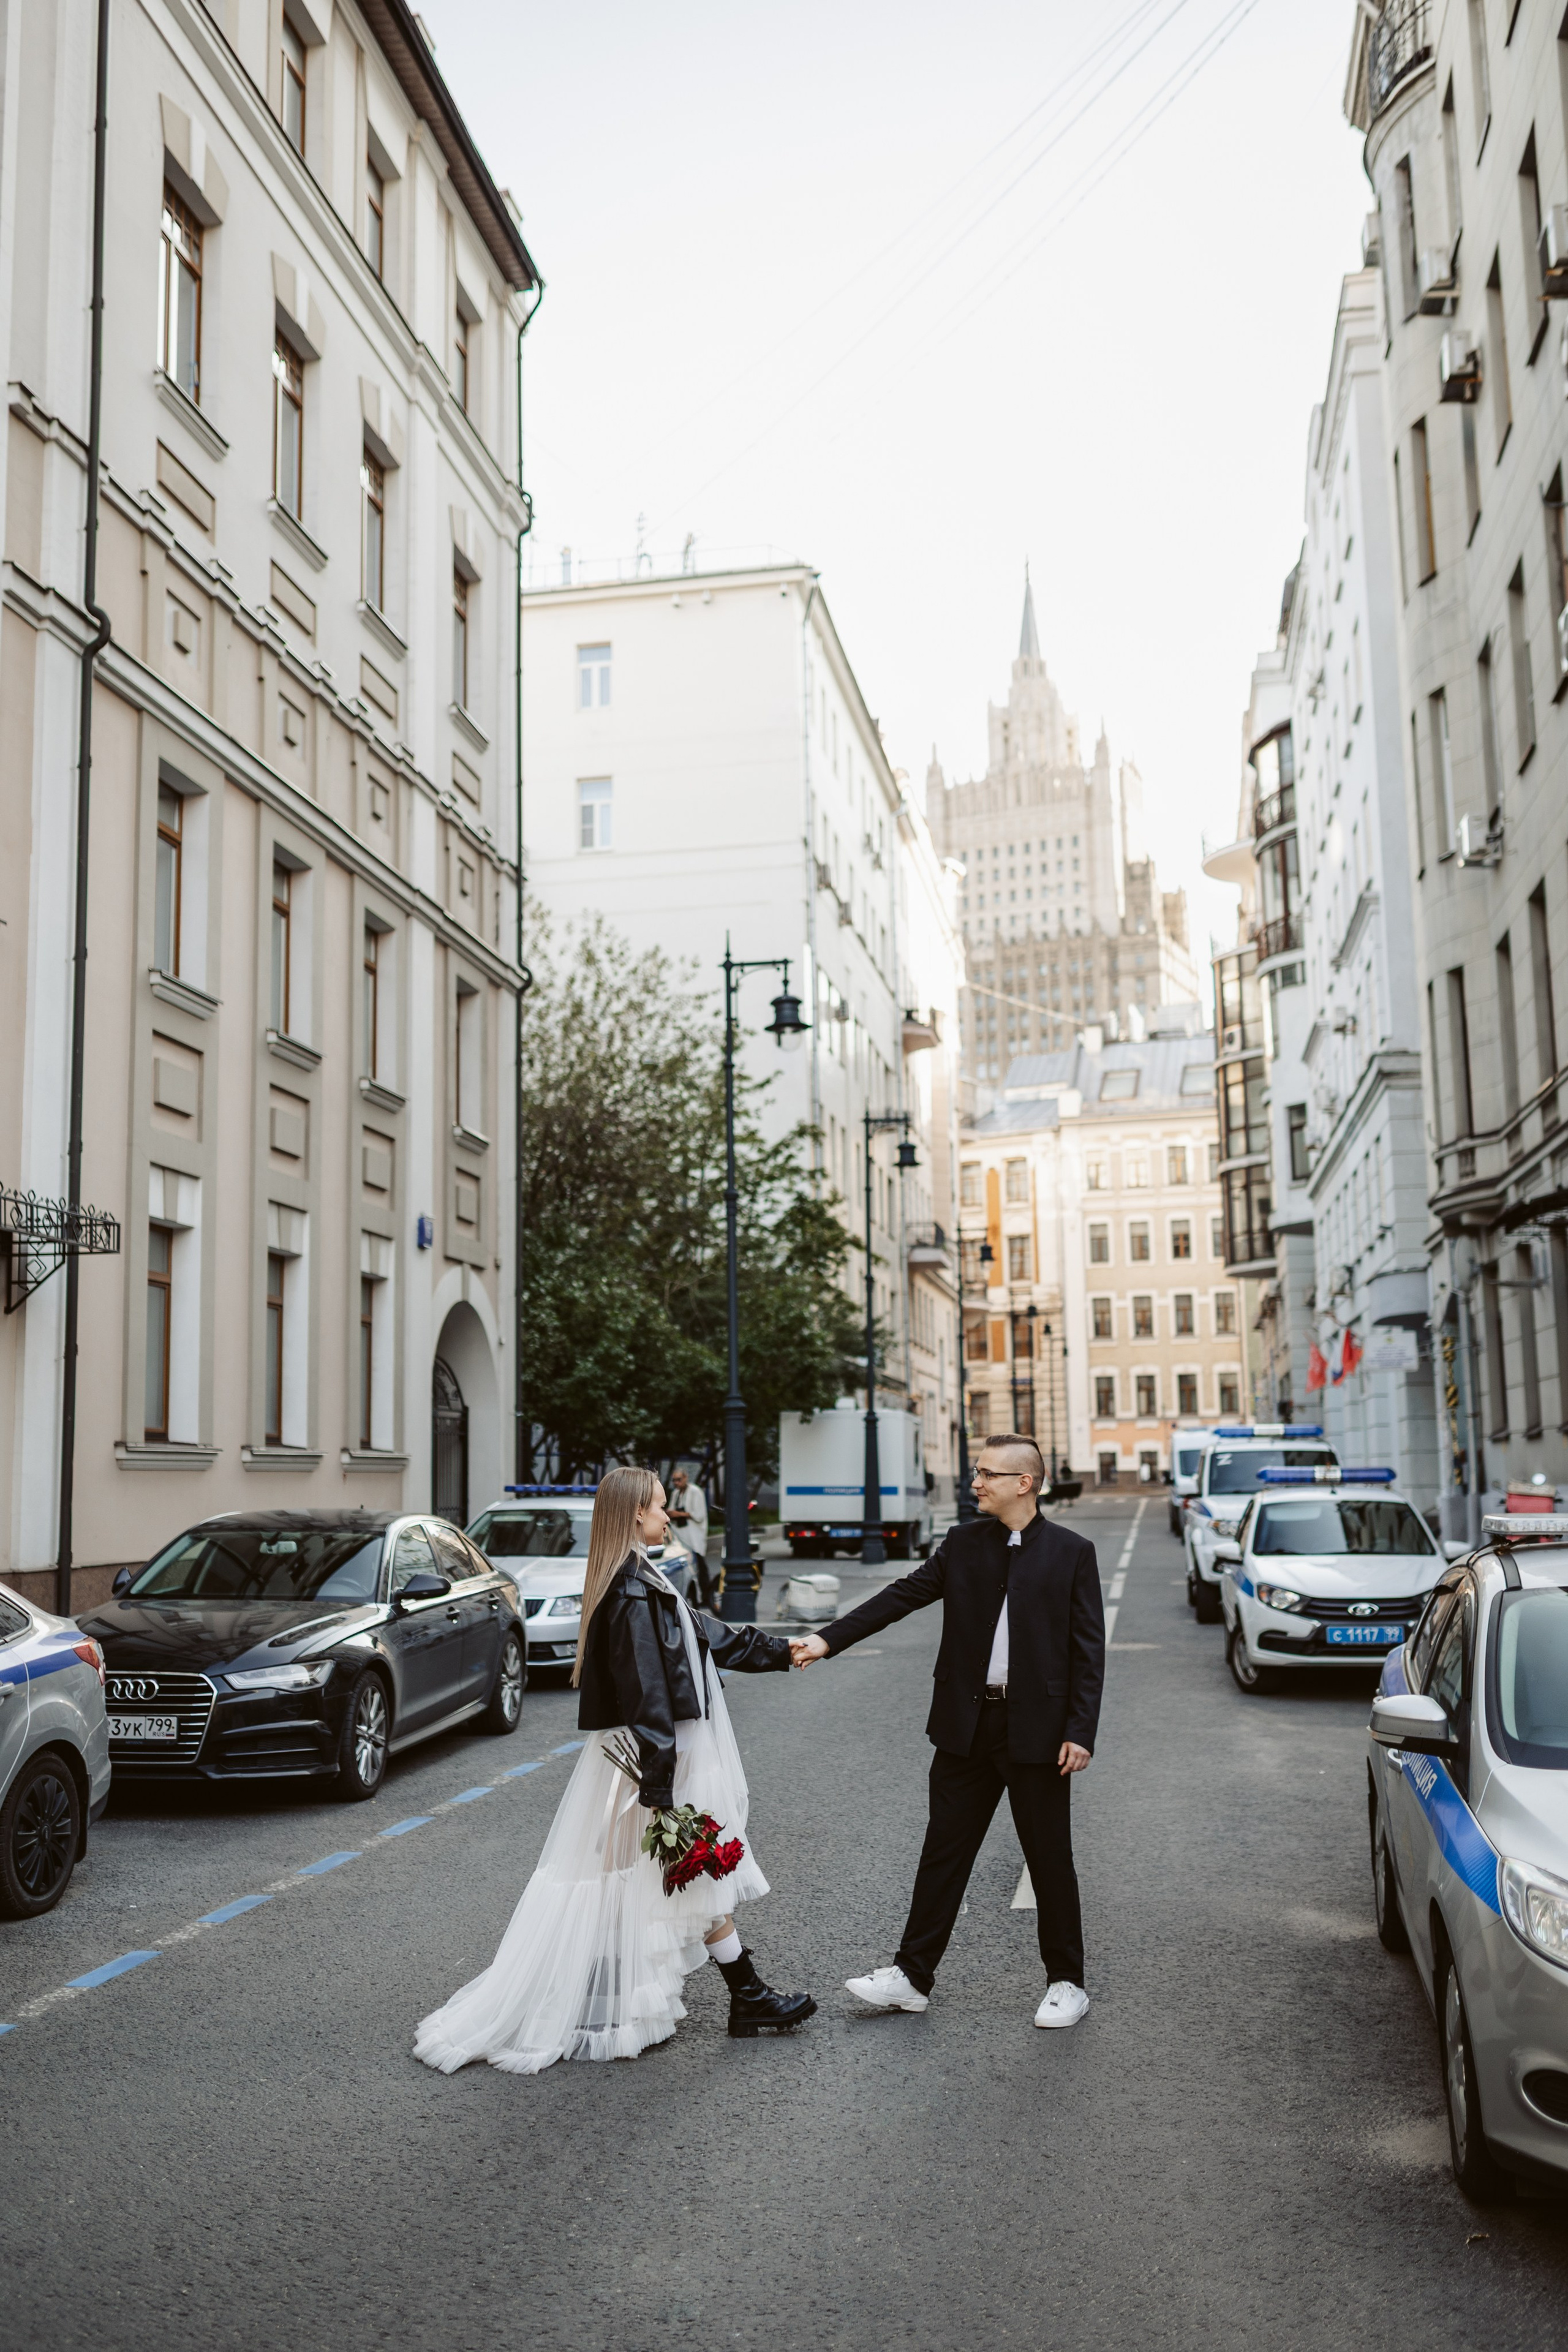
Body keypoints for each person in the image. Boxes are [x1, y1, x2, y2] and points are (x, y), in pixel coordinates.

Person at [415, 1466, 815, 2074]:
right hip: (656, 1755)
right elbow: (647, 1694)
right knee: (679, 1871)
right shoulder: (631, 1590)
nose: (667, 1516)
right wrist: (659, 1788)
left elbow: (709, 1638)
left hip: (655, 1754)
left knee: (662, 1874)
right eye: (660, 1507)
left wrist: (784, 1652)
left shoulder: (643, 1577)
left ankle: (633, 1996)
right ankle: (740, 1997)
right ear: (634, 1514)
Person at [791, 1433, 1104, 2029]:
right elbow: (902, 1595)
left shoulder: (1071, 1552)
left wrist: (1080, 1730)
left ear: (1025, 1483)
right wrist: (827, 1640)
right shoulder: (963, 1543)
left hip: (1037, 1730)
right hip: (966, 1726)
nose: (975, 1483)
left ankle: (1067, 1982)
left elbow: (1088, 1651)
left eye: (987, 1474)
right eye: (975, 1472)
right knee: (944, 1853)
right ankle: (911, 1977)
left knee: (1048, 1859)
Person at [668, 1467, 713, 1607]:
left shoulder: (695, 1492)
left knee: (700, 1567)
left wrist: (679, 1514)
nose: (676, 1483)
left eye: (679, 1480)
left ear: (686, 1478)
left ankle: (707, 1598)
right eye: (674, 1480)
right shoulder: (676, 1494)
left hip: (694, 1537)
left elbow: (698, 1514)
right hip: (681, 1536)